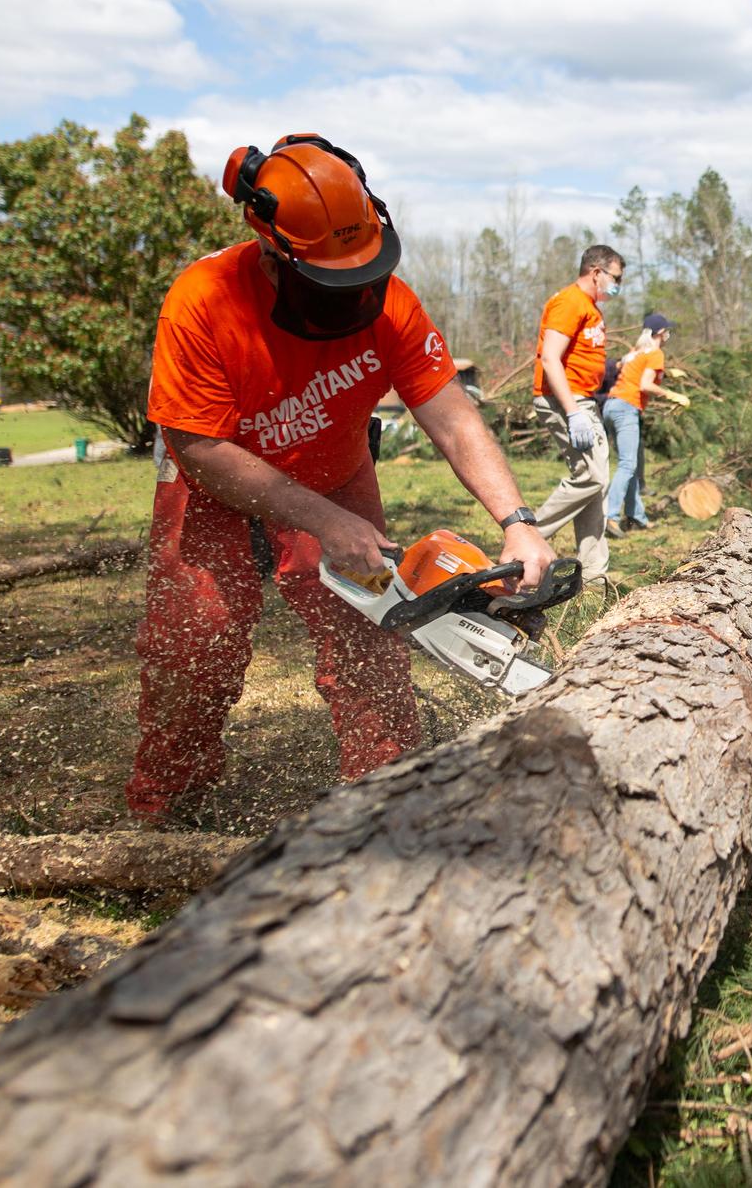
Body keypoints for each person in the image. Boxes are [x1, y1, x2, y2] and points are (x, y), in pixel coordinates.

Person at [126, 133, 555, 822]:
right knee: (196, 638)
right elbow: (199, 447)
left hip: (335, 468)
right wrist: (323, 522)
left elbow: (452, 416)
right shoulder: (202, 301)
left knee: (372, 636)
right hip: (217, 478)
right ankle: (166, 803)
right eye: (335, 280)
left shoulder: (392, 305)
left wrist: (518, 520)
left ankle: (386, 796)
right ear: (274, 251)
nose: (356, 294)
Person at [531, 245, 623, 580]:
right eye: (616, 278)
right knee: (591, 476)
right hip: (565, 401)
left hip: (583, 400)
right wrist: (572, 412)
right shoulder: (569, 302)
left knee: (598, 485)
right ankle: (528, 537)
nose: (618, 286)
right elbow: (550, 358)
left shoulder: (590, 306)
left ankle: (594, 576)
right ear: (596, 272)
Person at [602, 312, 689, 534]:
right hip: (627, 407)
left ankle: (636, 516)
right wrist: (671, 395)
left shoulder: (636, 352)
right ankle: (610, 516)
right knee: (628, 464)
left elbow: (628, 370)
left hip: (611, 406)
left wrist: (667, 373)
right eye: (667, 331)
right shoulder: (656, 353)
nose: (668, 334)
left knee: (629, 462)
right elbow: (645, 385)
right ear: (661, 333)